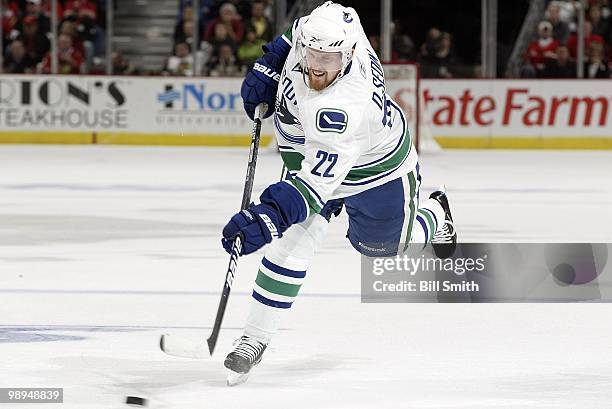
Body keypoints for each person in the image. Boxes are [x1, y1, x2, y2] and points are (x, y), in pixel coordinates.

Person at [220, 1, 457, 386]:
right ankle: (255, 337)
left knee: (386, 250)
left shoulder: (344, 107)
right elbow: (302, 27)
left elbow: (313, 187)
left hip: (375, 173)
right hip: (308, 158)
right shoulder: (341, 26)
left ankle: (436, 212)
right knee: (290, 247)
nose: (316, 65)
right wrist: (270, 62)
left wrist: (269, 216)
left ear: (347, 55)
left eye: (327, 58)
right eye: (312, 53)